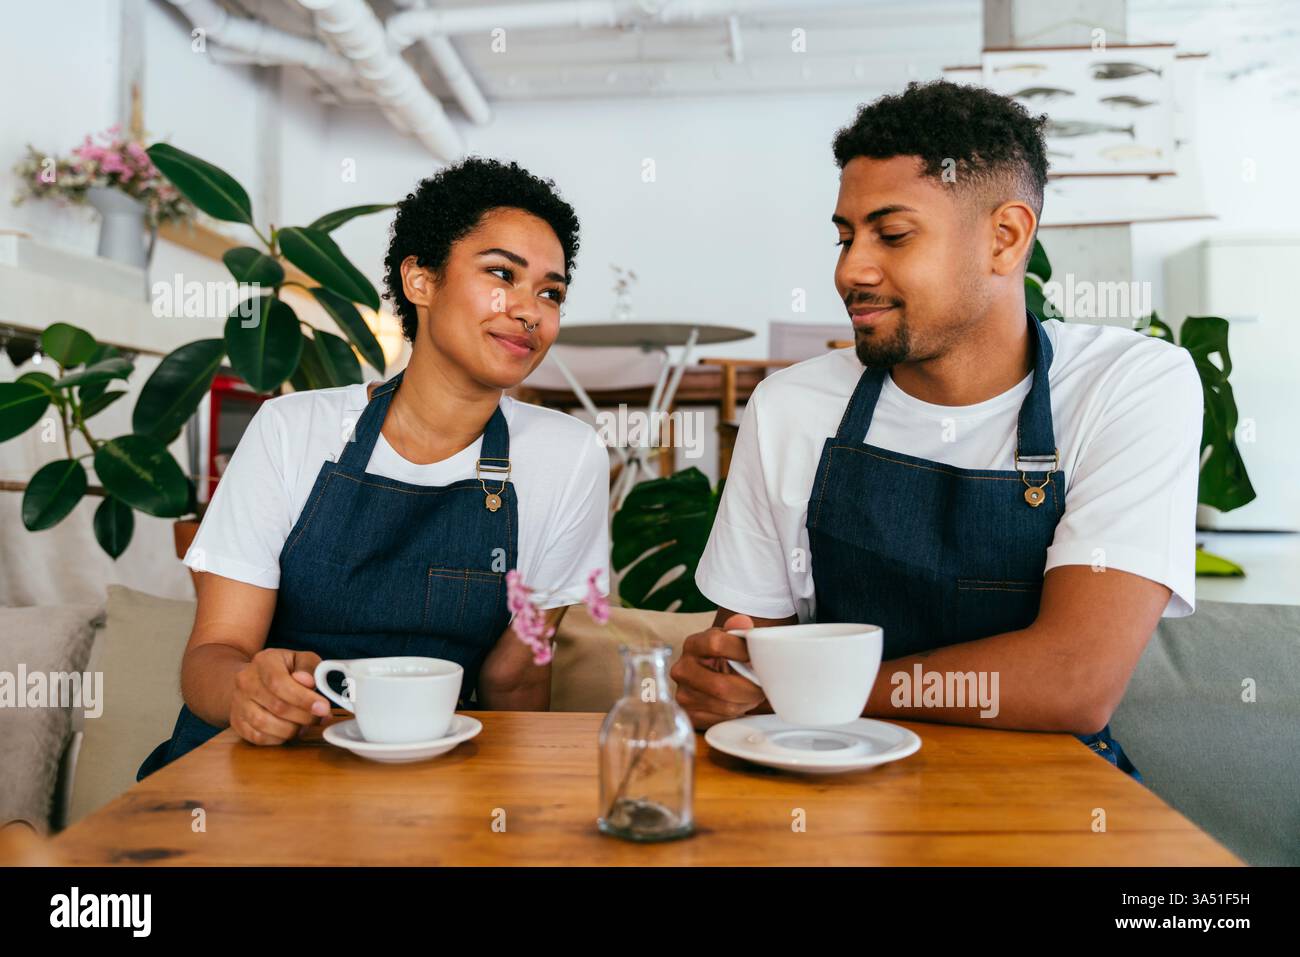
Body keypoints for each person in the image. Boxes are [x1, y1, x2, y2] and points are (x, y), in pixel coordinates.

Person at [673, 80, 1203, 780]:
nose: (849, 270)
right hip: (834, 779)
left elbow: (1075, 679)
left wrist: (809, 689)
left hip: (1053, 796)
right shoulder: (789, 407)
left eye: (892, 234)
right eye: (845, 236)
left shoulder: (1129, 385)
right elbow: (745, 658)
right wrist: (721, 678)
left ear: (1005, 238)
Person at [138, 157, 609, 778]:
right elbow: (214, 656)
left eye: (551, 293)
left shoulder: (567, 456)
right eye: (502, 275)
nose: (530, 311)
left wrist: (523, 810)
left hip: (425, 764)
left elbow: (514, 676)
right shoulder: (291, 430)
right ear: (420, 280)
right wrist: (247, 694)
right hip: (259, 761)